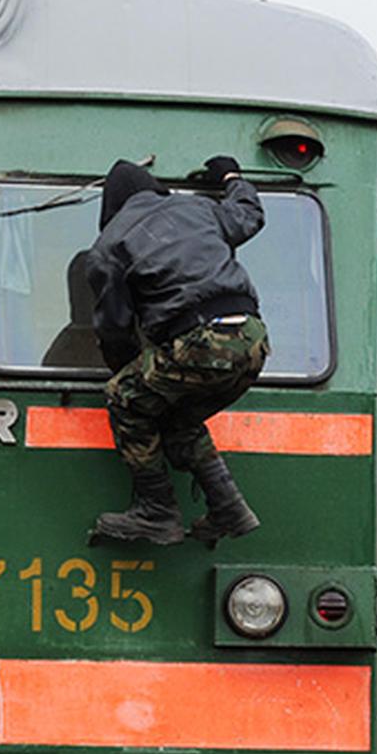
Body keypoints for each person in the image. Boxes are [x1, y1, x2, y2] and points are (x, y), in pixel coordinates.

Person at [84, 156, 270, 545]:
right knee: (177, 420)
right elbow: (249, 214)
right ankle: (229, 508)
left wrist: (127, 370)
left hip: (200, 342)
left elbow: (114, 328)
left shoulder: (109, 246)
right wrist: (231, 177)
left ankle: (156, 510)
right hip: (253, 341)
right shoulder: (197, 209)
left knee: (125, 397)